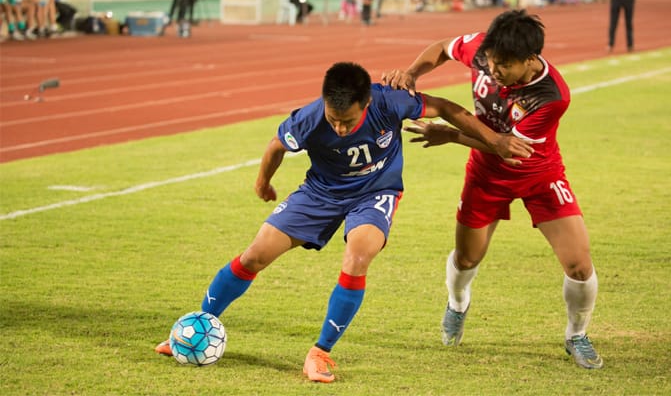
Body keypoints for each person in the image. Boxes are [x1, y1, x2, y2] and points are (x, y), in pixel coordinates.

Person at [154, 61, 531, 383]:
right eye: (334, 121)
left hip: (375, 193)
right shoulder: (309, 118)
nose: (339, 128)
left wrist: (495, 140)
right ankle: (193, 331)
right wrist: (263, 182)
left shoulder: (389, 101)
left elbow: (447, 108)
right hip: (319, 193)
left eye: (348, 121)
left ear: (366, 103)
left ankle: (320, 352)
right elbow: (275, 147)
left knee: (357, 257)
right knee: (254, 256)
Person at [382, 9, 604, 369]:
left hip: (539, 173)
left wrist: (451, 133)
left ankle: (576, 335)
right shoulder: (484, 50)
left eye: (504, 66)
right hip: (486, 175)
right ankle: (457, 305)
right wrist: (411, 73)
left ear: (530, 60)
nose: (493, 71)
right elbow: (442, 48)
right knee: (467, 257)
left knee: (579, 264)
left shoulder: (551, 96)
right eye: (491, 63)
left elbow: (507, 147)